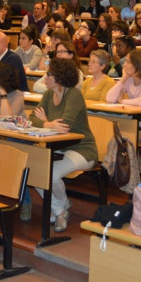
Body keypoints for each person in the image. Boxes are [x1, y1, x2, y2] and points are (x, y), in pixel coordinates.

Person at [29, 58, 98, 232]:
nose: (45, 77)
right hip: (59, 147)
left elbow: (65, 125)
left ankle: (58, 210)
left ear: (60, 77)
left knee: (49, 175)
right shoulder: (48, 94)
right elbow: (32, 118)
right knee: (34, 172)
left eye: (49, 74)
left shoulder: (73, 94)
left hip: (82, 149)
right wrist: (48, 124)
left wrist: (46, 121)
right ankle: (61, 209)